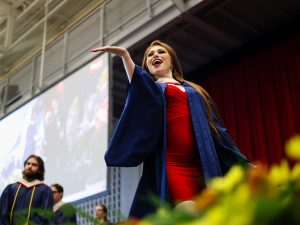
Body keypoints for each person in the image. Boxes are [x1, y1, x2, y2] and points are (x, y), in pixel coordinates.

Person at [91, 40, 252, 218]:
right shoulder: (154, 90)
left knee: (210, 216)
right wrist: (125, 56)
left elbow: (219, 132)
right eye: (150, 55)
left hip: (203, 164)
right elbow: (140, 85)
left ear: (172, 60)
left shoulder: (195, 91)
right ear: (147, 67)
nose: (155, 55)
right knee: (188, 211)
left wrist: (244, 164)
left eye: (161, 52)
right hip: (172, 165)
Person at [0, 154, 54, 225]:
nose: (30, 166)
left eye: (34, 165)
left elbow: (45, 215)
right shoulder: (11, 189)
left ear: (39, 170)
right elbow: (2, 213)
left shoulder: (45, 191)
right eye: (28, 164)